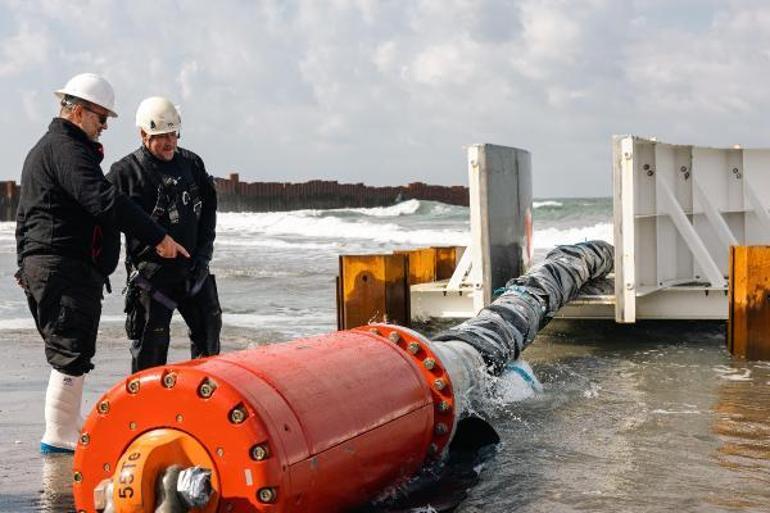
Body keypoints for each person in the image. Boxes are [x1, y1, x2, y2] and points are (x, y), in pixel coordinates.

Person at [16, 73, 190, 454]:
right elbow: (103, 201)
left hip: (51, 266)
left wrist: (23, 265)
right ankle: (61, 435)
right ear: (77, 112)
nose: (105, 126)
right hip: (63, 267)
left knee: (69, 348)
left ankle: (65, 425)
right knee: (71, 350)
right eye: (101, 117)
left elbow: (23, 214)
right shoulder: (66, 150)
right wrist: (158, 235)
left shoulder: (50, 148)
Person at [107, 96, 221, 374]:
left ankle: (202, 407)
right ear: (143, 134)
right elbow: (107, 218)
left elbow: (208, 210)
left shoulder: (192, 163)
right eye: (162, 136)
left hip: (194, 272)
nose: (170, 142)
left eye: (174, 134)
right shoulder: (123, 173)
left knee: (209, 339)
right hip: (152, 279)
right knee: (150, 352)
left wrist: (204, 255)